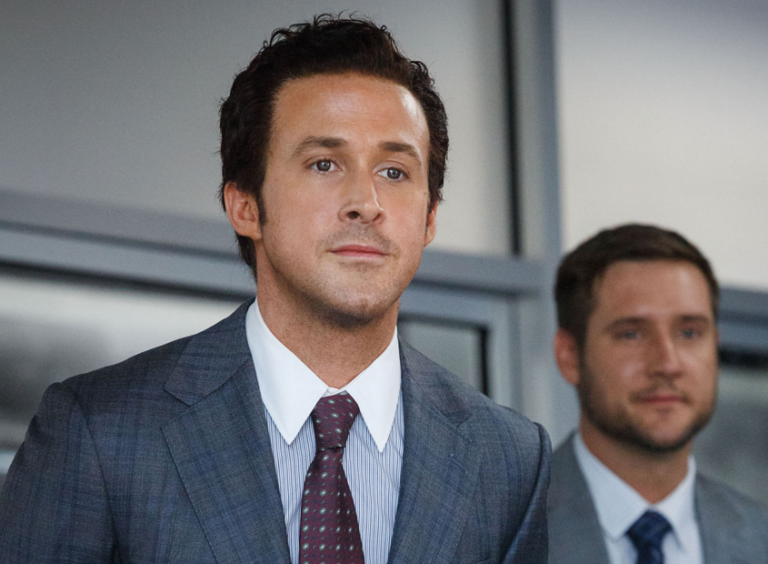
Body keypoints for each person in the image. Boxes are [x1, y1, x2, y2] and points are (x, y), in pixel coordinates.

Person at [0, 15, 550, 564]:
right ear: (245, 206)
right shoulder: (99, 431)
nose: (366, 202)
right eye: (324, 164)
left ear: (429, 218)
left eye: (394, 172)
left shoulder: (510, 460)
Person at [548, 223, 768, 564]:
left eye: (689, 333)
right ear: (570, 356)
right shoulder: (496, 532)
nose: (667, 363)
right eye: (631, 334)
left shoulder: (760, 538)